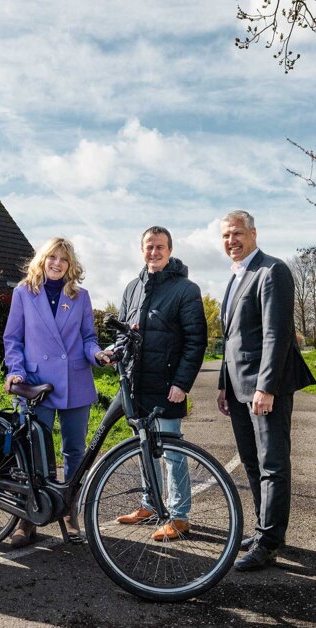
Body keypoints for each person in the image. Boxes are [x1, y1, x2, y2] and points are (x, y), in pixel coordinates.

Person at [216, 210, 316, 571]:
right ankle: (265, 530)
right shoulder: (236, 277)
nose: (232, 241)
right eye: (226, 236)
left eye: (238, 233)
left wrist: (267, 387)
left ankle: (269, 543)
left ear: (254, 233)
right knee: (251, 463)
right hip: (238, 389)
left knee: (272, 464)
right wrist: (224, 385)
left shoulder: (272, 271)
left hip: (263, 389)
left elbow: (277, 334)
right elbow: (233, 340)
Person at [2, 237, 107, 547]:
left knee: (75, 451)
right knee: (35, 452)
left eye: (63, 259)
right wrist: (17, 370)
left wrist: (97, 354)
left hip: (75, 381)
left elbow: (88, 338)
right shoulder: (23, 292)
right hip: (36, 382)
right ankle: (28, 517)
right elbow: (13, 338)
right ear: (42, 260)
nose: (57, 263)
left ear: (70, 264)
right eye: (52, 257)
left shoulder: (80, 296)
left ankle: (69, 512)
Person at [107, 226, 207, 542]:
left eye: (160, 246)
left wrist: (182, 383)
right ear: (142, 250)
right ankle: (149, 504)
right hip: (137, 385)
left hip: (167, 386)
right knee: (145, 450)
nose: (154, 251)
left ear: (170, 249)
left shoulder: (186, 289)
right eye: (149, 246)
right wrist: (115, 351)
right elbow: (124, 333)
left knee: (172, 452)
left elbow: (196, 340)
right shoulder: (132, 288)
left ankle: (179, 516)